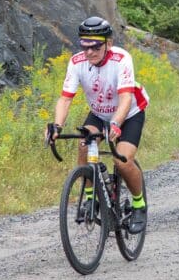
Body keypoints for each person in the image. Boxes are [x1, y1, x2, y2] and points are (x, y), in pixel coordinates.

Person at [45, 16, 149, 234]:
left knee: (122, 161)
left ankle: (139, 204)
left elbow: (126, 97)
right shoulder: (77, 62)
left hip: (129, 113)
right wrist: (57, 126)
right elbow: (65, 98)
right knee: (84, 145)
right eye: (85, 46)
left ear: (108, 44)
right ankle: (91, 199)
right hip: (99, 114)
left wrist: (117, 124)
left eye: (95, 46)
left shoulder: (121, 59)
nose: (89, 52)